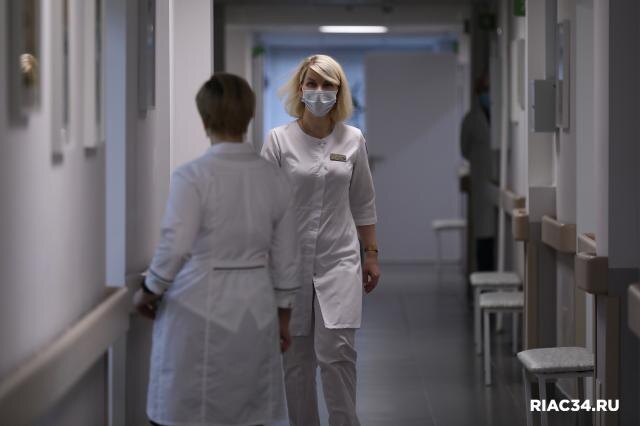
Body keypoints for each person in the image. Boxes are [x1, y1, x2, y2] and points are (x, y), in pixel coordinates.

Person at [132, 73, 300, 426]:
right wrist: (283, 318)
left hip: (196, 303)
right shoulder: (275, 177)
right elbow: (287, 257)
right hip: (256, 306)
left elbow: (175, 245)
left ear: (204, 118)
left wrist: (149, 290)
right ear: (249, 116)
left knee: (190, 410)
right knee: (250, 410)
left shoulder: (192, 176)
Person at [261, 54, 380, 426]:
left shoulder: (352, 139)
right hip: (288, 264)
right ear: (300, 89)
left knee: (337, 355)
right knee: (296, 360)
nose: (319, 91)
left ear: (339, 91)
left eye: (328, 84)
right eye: (312, 83)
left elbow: (363, 201)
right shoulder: (278, 140)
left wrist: (371, 254)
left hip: (338, 261)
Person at [460, 74, 496, 271]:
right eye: (483, 90)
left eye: (488, 89)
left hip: (496, 183)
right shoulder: (471, 119)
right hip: (481, 182)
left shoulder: (498, 116)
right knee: (483, 234)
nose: (486, 94)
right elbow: (464, 150)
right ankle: (482, 277)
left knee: (498, 236)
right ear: (477, 92)